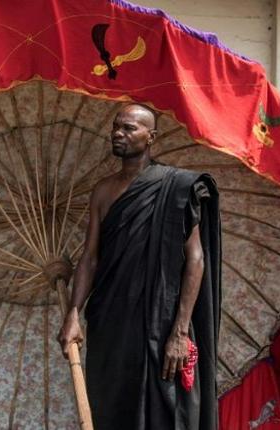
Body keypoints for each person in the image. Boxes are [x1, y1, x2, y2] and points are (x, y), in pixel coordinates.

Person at [57, 103, 221, 429]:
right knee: (112, 407)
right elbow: (90, 257)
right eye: (116, 126)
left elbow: (196, 259)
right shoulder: (103, 191)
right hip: (111, 324)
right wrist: (73, 313)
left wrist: (181, 331)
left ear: (151, 137)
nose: (118, 133)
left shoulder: (176, 189)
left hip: (160, 325)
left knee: (165, 410)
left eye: (129, 128)